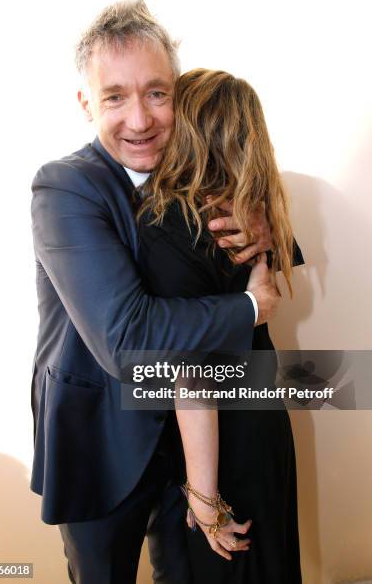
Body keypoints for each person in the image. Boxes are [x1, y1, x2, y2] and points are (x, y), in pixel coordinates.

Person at [30, 0, 279, 584]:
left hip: (194, 438)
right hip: (98, 439)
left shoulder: (201, 181)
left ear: (181, 96)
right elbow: (127, 338)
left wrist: (256, 228)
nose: (139, 120)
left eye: (157, 94)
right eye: (114, 96)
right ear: (86, 103)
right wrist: (247, 306)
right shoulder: (64, 187)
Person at [137, 69, 304, 582]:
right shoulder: (258, 210)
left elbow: (192, 374)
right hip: (263, 420)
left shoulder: (167, 222)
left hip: (212, 443)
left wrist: (204, 496)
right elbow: (267, 287)